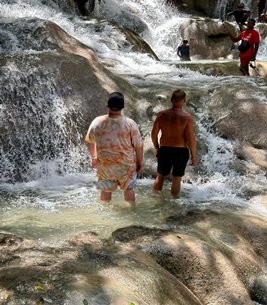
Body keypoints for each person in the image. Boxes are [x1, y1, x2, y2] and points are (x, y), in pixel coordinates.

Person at [84, 92, 143, 205]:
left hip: (106, 164)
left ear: (108, 106)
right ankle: (131, 210)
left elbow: (90, 141)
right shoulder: (130, 124)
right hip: (126, 165)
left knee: (105, 190)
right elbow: (138, 146)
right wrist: (140, 162)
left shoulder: (97, 122)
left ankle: (104, 211)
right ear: (122, 107)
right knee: (128, 189)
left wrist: (94, 157)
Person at [151, 89, 197, 198]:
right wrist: (194, 157)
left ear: (172, 100)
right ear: (184, 101)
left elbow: (153, 134)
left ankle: (155, 199)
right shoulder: (187, 118)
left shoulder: (161, 115)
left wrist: (157, 147)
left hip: (164, 149)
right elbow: (191, 139)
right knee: (176, 178)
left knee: (160, 176)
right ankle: (174, 202)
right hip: (180, 151)